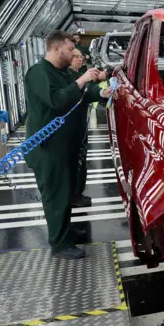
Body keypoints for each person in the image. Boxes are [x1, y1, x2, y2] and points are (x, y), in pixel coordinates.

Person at [24, 30, 112, 259]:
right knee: (55, 195)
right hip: (48, 148)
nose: (74, 53)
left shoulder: (62, 73)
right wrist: (82, 79)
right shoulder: (39, 73)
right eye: (70, 49)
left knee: (65, 193)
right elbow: (57, 100)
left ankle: (65, 231)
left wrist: (103, 92)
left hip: (65, 146)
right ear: (55, 48)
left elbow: (81, 94)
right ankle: (59, 244)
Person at [68, 48, 107, 208]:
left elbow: (90, 91)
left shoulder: (78, 76)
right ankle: (72, 195)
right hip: (70, 128)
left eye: (80, 57)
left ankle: (77, 193)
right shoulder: (69, 77)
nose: (80, 59)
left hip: (80, 127)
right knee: (74, 162)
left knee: (81, 160)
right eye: (75, 57)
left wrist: (103, 92)